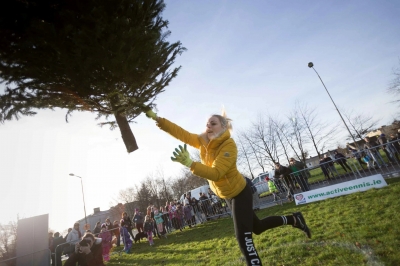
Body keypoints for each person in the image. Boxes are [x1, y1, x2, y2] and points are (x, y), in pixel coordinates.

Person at [144, 108, 311, 265]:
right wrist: (158, 119)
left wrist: (190, 163)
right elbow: (182, 134)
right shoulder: (203, 141)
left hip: (240, 193)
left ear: (223, 127)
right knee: (257, 228)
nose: (208, 126)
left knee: (243, 240)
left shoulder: (229, 145)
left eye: (213, 123)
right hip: (227, 195)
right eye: (207, 123)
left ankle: (292, 221)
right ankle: (294, 219)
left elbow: (216, 173)